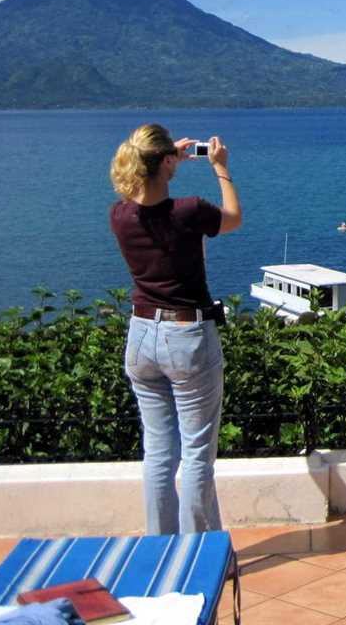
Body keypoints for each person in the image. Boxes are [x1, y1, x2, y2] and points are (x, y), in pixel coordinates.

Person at [108, 123, 242, 534]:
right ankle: (197, 550)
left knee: (159, 453)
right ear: (166, 161)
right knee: (197, 454)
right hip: (186, 338)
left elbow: (143, 198)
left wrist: (167, 163)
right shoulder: (189, 210)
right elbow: (233, 219)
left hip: (141, 335)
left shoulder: (120, 215)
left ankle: (160, 546)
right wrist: (221, 168)